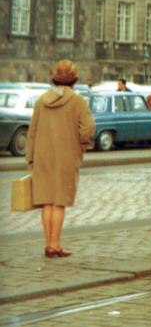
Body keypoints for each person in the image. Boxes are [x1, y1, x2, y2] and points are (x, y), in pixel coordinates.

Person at [26, 59, 95, 258]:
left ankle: (49, 244)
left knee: (46, 201)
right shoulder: (78, 101)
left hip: (42, 157)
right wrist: (81, 145)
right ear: (74, 79)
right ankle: (56, 244)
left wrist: (30, 157)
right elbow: (88, 128)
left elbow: (32, 130)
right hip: (66, 156)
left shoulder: (41, 100)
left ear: (54, 77)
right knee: (59, 202)